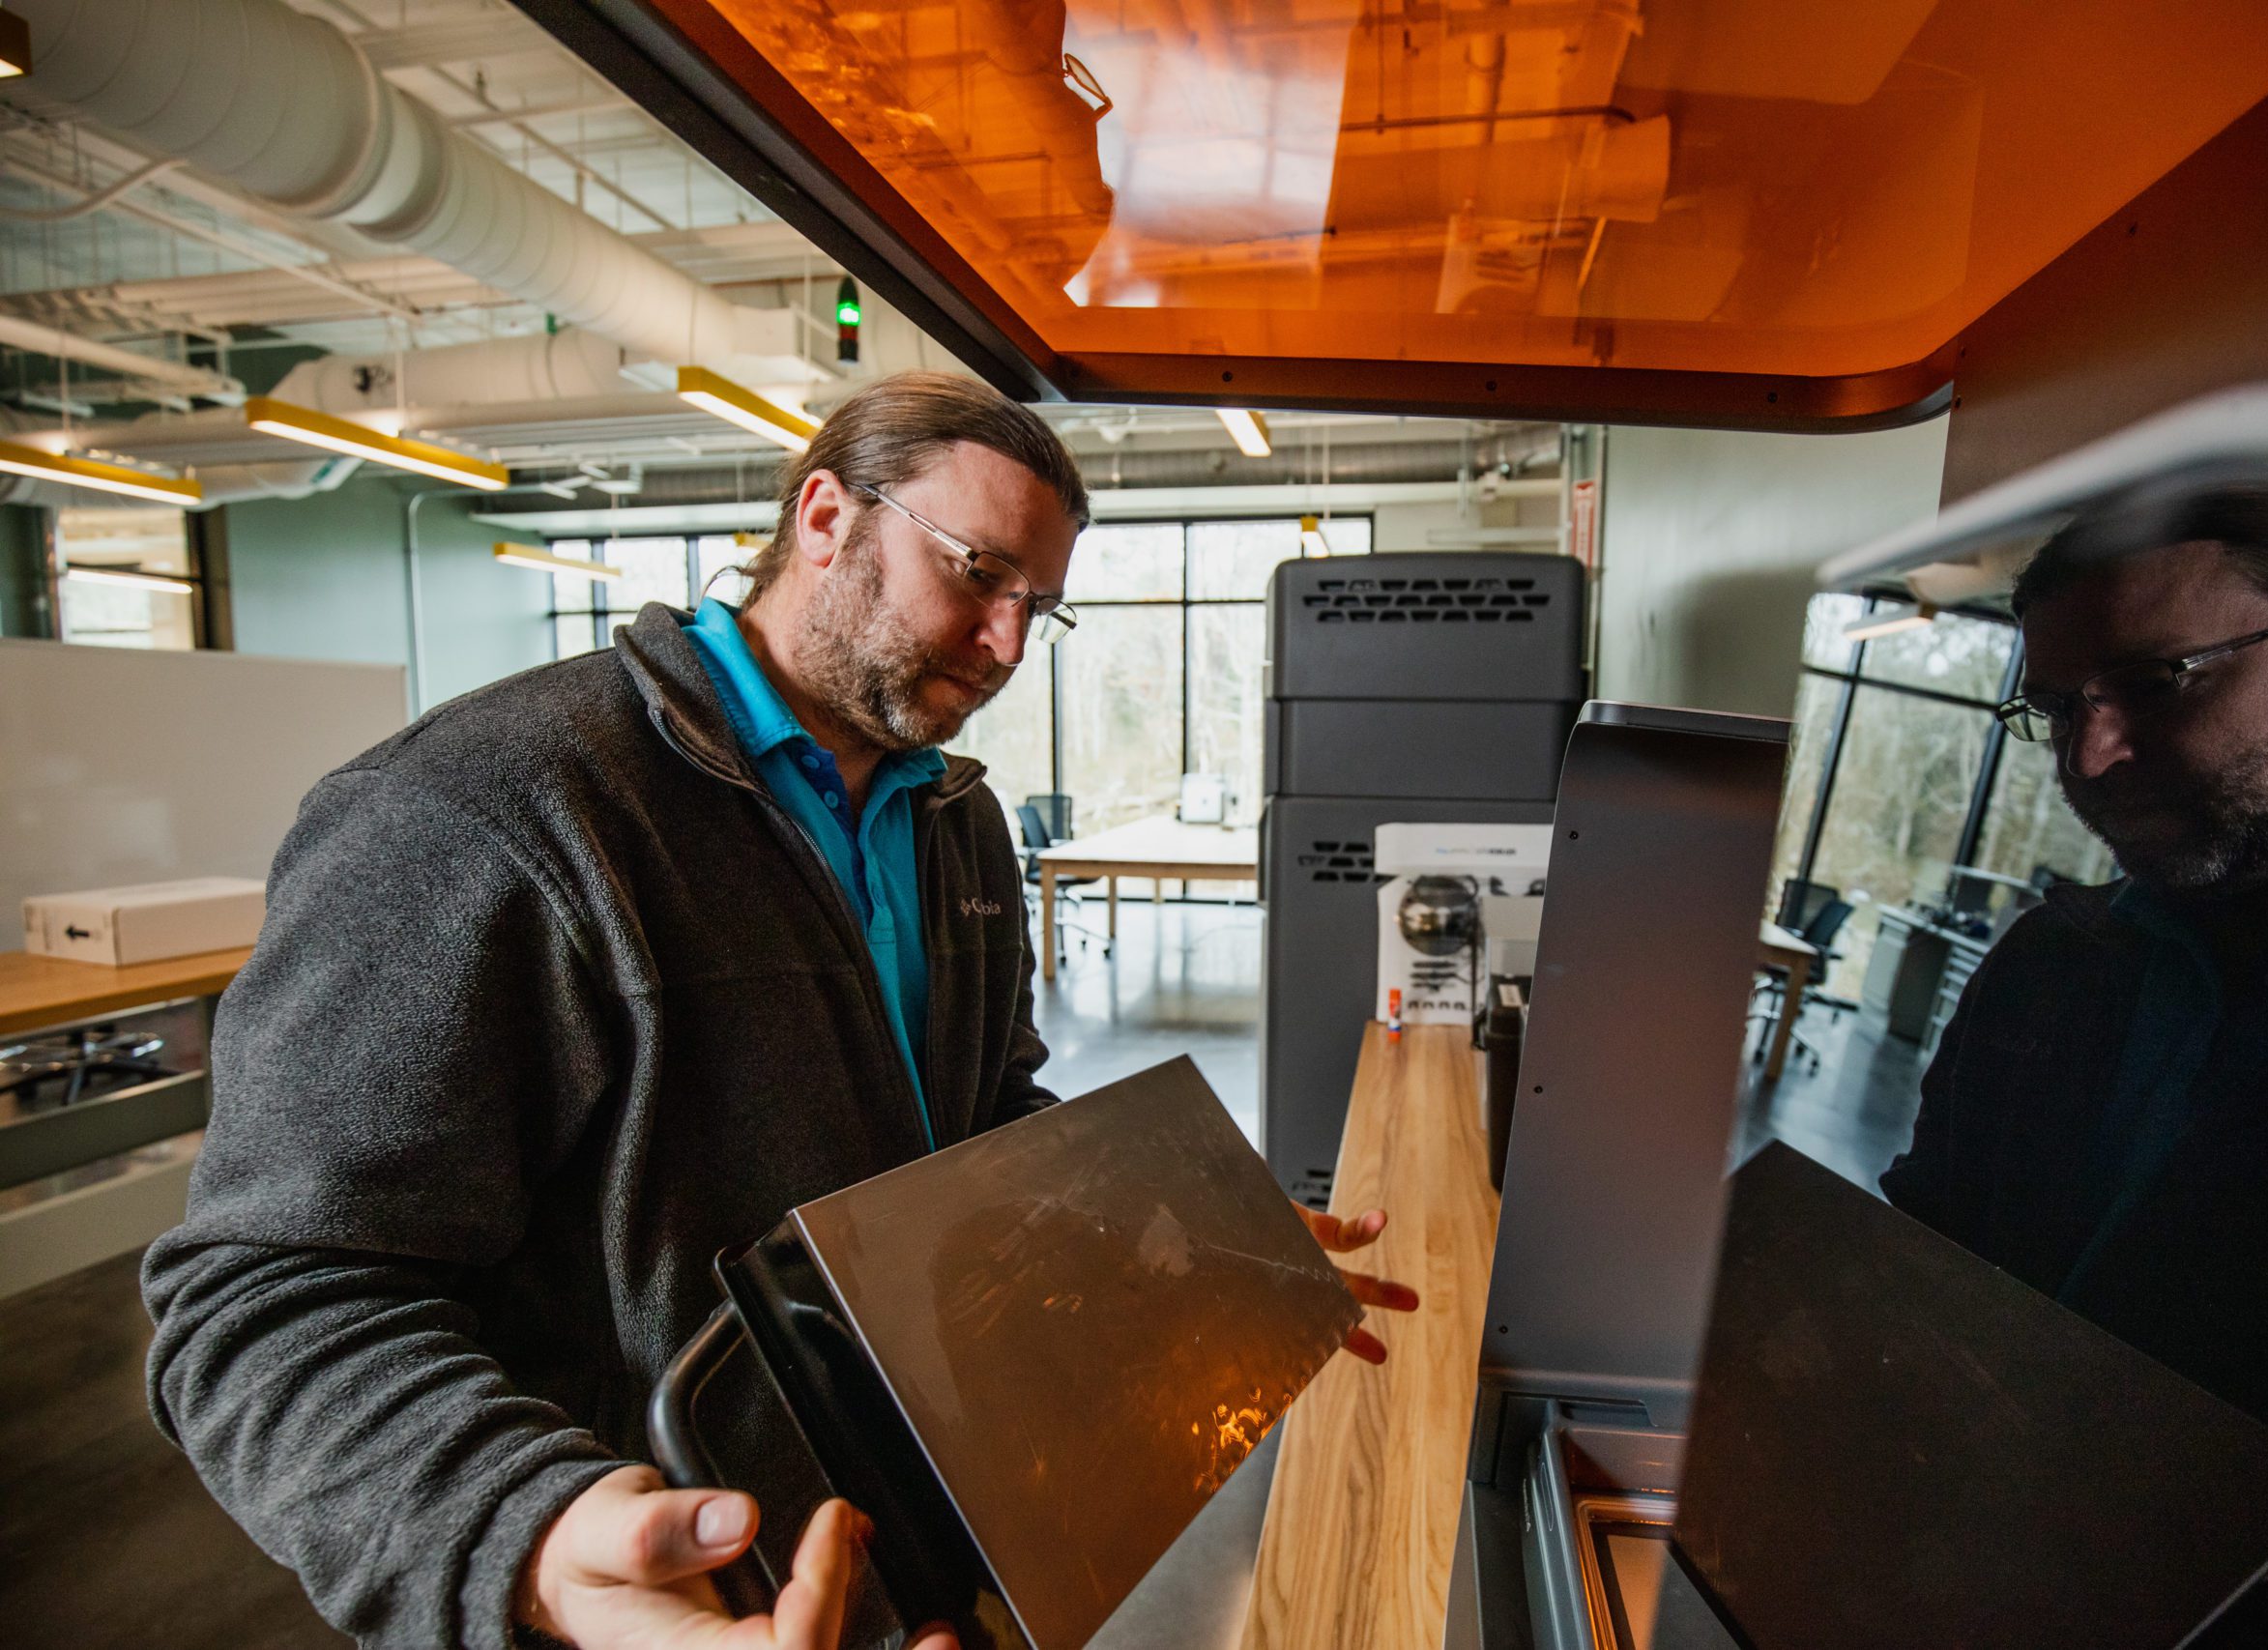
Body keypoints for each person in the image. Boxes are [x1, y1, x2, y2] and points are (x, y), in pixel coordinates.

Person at [141, 371, 1414, 1650]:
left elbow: (978, 1121)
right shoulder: (490, 812)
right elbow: (274, 1291)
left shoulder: (950, 818)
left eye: (1040, 605)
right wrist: (526, 1536)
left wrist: (1174, 1222)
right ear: (824, 516)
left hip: (902, 1529)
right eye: (977, 573)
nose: (1009, 642)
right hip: (664, 1578)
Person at [1881, 485, 2268, 1624]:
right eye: (2057, 710)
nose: (2091, 761)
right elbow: (1925, 1255)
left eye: (2158, 682)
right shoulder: (2052, 964)